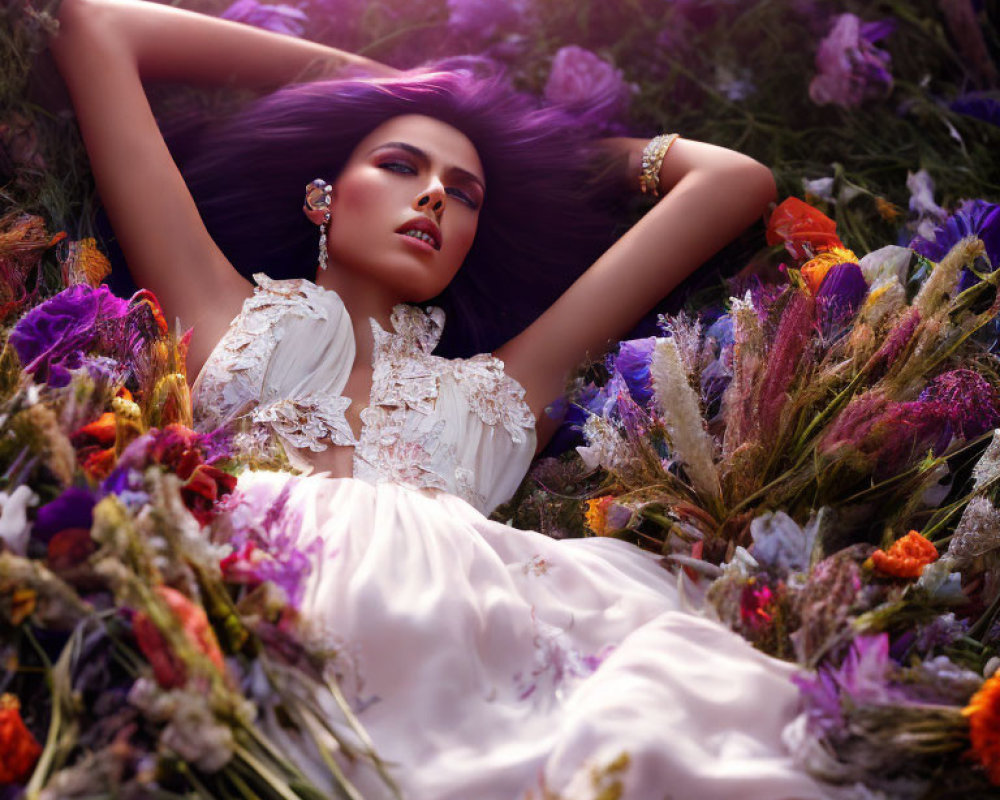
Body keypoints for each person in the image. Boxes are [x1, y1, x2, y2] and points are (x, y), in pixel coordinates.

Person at [49, 1, 834, 797]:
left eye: (464, 195)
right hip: (238, 639)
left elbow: (730, 181)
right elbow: (97, 26)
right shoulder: (223, 315)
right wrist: (385, 83)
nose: (433, 198)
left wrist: (546, 152)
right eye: (400, 165)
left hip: (478, 672)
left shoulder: (500, 392)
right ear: (323, 198)